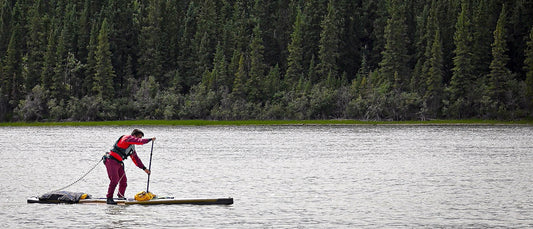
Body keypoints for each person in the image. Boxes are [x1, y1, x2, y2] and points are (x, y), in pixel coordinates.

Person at [103, 129, 155, 204]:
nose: (139, 139)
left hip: (119, 162)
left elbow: (136, 159)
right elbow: (139, 142)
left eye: (140, 138)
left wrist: (144, 169)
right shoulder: (126, 138)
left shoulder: (131, 148)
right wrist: (150, 139)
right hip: (111, 160)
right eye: (139, 137)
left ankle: (120, 196)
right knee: (114, 180)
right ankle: (109, 198)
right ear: (134, 136)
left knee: (124, 181)